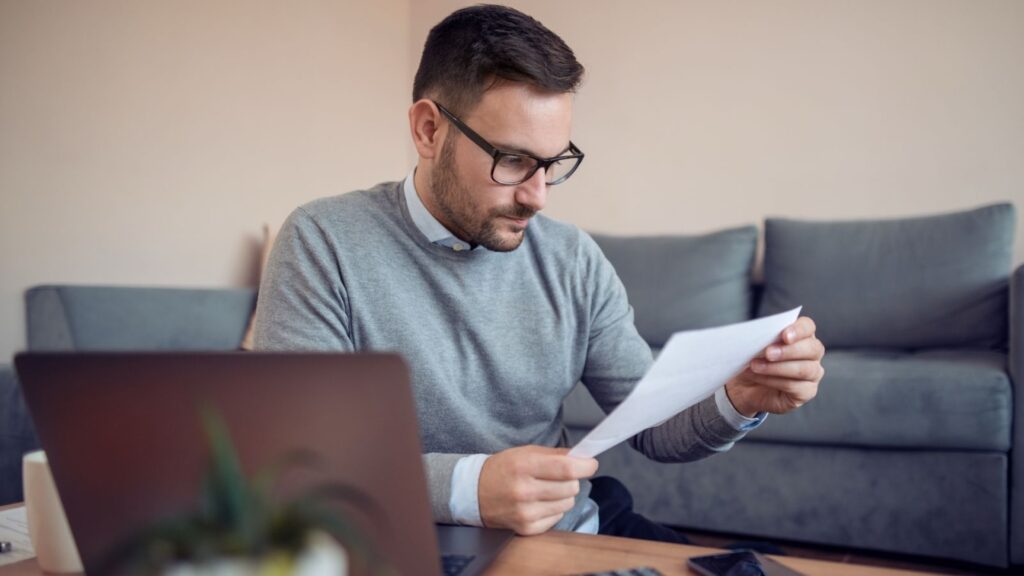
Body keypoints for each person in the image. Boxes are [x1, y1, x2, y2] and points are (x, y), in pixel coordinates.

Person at [253, 4, 824, 542]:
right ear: (428, 131)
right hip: (397, 546)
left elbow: (652, 425)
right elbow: (294, 462)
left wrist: (740, 397)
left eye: (553, 163)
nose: (538, 196)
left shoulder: (573, 260)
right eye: (514, 160)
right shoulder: (323, 242)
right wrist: (470, 489)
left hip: (571, 534)